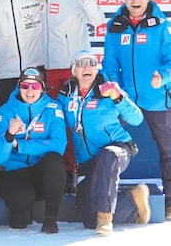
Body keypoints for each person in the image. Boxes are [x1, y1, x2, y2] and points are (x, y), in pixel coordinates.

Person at [102, 0, 171, 222]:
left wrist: (164, 76)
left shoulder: (163, 25)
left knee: (170, 151)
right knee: (102, 142)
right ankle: (100, 201)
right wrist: (112, 87)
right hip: (126, 100)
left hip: (161, 99)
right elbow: (109, 64)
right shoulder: (115, 26)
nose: (135, 0)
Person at [56, 50, 151, 235]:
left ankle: (106, 219)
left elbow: (137, 118)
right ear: (74, 71)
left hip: (117, 149)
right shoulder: (65, 95)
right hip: (87, 160)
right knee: (89, 219)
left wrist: (118, 97)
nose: (87, 68)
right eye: (82, 64)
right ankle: (134, 201)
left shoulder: (106, 88)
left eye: (91, 63)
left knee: (108, 156)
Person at [0, 67, 67, 234]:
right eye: (25, 86)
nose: (30, 91)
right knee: (21, 205)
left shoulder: (53, 108)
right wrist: (9, 137)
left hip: (40, 172)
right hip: (13, 173)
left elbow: (59, 146)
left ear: (43, 88)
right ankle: (19, 211)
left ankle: (51, 219)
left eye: (35, 86)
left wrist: (21, 146)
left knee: (55, 160)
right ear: (19, 87)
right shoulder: (5, 111)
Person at [34, 0, 105, 97]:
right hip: (49, 69)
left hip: (73, 68)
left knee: (74, 114)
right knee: (56, 115)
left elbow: (98, 20)